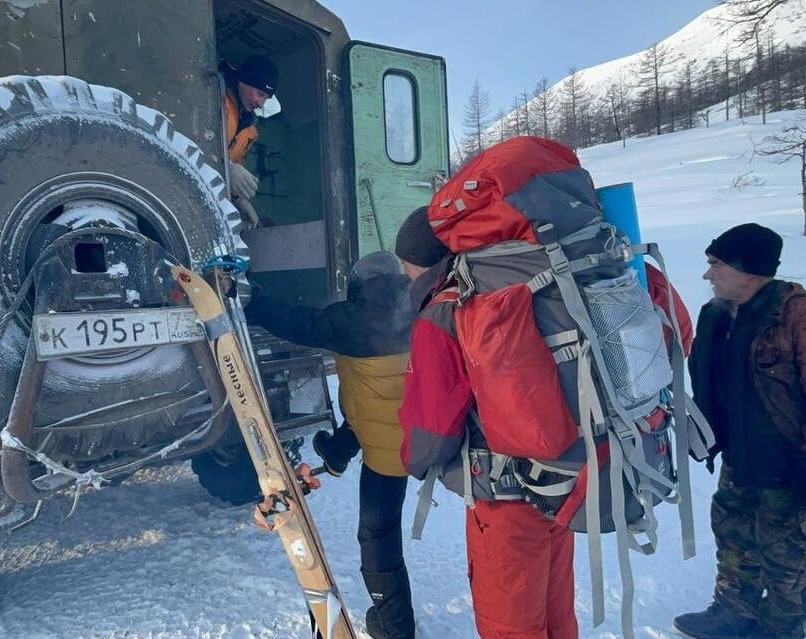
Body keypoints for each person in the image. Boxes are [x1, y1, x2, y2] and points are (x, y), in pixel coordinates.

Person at [395, 205, 578, 639]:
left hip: (503, 499)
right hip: (560, 482)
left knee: (509, 625)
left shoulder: (446, 308)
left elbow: (432, 429)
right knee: (555, 614)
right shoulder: (522, 286)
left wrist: (413, 461)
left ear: (416, 263)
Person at [243, 251, 417, 639]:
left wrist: (250, 298)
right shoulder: (415, 311)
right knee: (372, 401)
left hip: (389, 454)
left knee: (377, 535)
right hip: (422, 436)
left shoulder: (349, 320)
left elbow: (293, 322)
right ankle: (337, 452)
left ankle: (395, 626)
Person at [674, 223, 806, 639]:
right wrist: (706, 434)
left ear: (749, 269)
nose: (708, 274)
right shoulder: (717, 314)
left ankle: (781, 631)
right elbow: (710, 379)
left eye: (716, 264)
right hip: (741, 459)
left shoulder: (802, 318)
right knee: (734, 536)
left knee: (786, 557)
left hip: (793, 465)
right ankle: (734, 614)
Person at [220, 54, 279, 229]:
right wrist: (226, 168)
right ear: (244, 81)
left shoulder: (250, 133)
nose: (260, 104)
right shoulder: (214, 99)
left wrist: (240, 200)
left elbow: (235, 170)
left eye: (266, 98)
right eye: (259, 94)